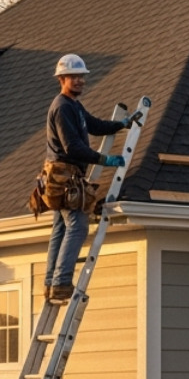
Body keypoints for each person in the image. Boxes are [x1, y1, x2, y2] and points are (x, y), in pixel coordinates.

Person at [44, 53, 127, 303]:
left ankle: (52, 283)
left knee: (61, 229)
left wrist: (121, 124)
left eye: (81, 76)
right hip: (65, 176)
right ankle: (60, 282)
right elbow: (72, 147)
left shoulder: (74, 106)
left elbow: (95, 125)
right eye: (74, 77)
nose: (80, 80)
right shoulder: (62, 107)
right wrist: (104, 159)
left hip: (62, 176)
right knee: (78, 226)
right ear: (62, 79)